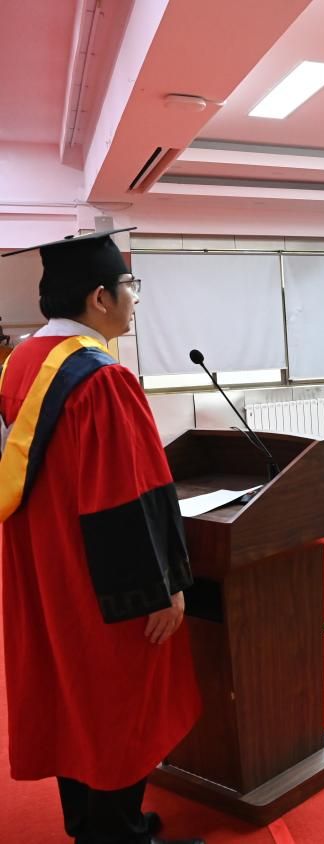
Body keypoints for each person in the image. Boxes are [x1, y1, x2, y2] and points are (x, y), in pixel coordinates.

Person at [0, 230, 203, 844]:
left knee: (71, 695)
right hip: (102, 578)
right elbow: (125, 496)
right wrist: (158, 590)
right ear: (100, 297)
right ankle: (120, 835)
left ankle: (90, 824)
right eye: (129, 287)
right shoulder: (102, 378)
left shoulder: (22, 362)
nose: (134, 299)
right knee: (117, 697)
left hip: (45, 566)